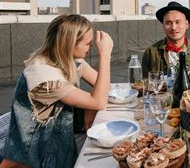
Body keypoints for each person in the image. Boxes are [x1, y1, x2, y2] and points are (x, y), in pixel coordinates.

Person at [0, 14, 113, 168]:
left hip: (58, 141)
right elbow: (99, 101)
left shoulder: (67, 60)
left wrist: (89, 107)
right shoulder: (43, 76)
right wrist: (105, 55)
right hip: (36, 158)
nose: (91, 46)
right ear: (70, 44)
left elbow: (105, 88)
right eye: (88, 43)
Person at [142, 1, 190, 79]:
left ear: (186, 24)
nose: (173, 27)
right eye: (168, 23)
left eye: (178, 22)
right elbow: (146, 85)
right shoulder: (151, 53)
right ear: (163, 26)